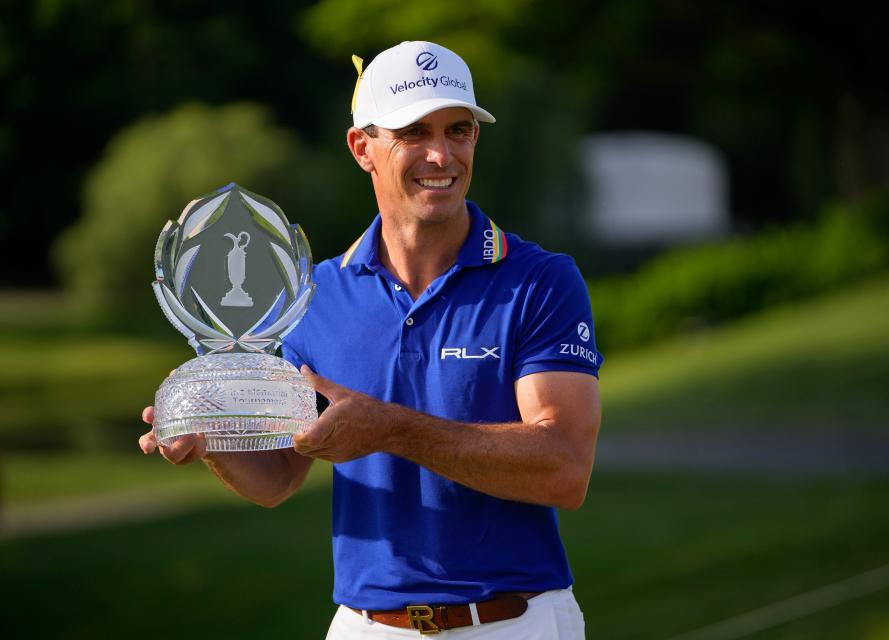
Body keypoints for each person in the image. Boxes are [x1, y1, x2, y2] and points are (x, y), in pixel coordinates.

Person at [139, 40, 602, 639]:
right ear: (363, 148)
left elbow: (564, 467)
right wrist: (214, 442)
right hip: (366, 627)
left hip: (514, 622)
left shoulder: (540, 279)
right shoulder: (312, 295)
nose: (442, 154)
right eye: (413, 132)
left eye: (458, 129)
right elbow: (279, 475)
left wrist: (387, 429)